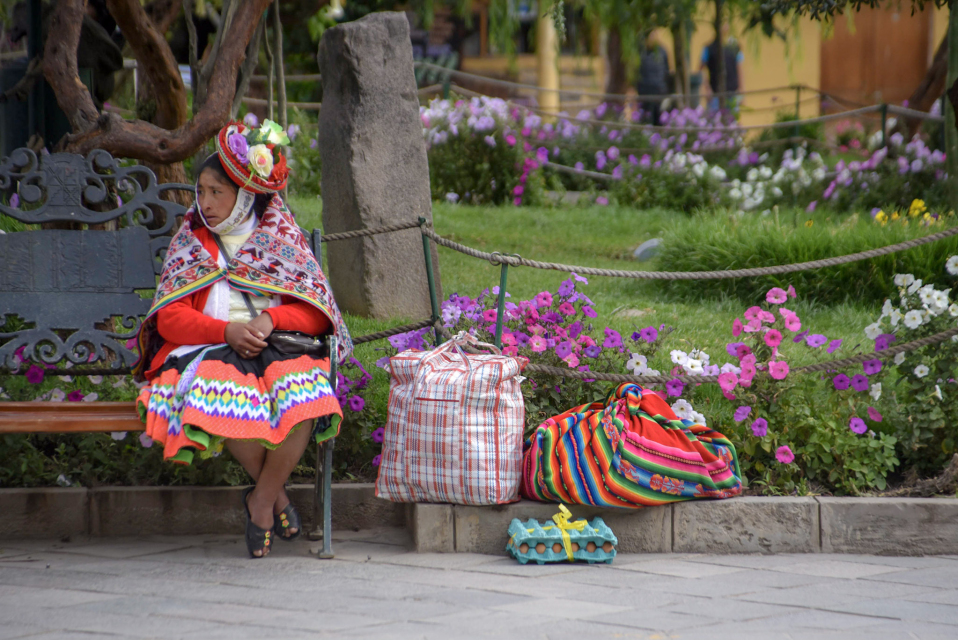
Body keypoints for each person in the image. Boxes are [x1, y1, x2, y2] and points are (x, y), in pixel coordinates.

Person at [133, 121, 353, 559]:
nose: (207, 203)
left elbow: (315, 310)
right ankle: (274, 502)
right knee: (217, 397)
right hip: (210, 349)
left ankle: (261, 499)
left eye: (218, 192)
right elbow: (170, 318)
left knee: (306, 399)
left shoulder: (278, 238)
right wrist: (225, 331)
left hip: (279, 346)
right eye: (202, 192)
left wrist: (271, 319)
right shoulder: (192, 241)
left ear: (245, 194)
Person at [700, 23, 744, 111]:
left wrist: (742, 91)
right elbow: (701, 69)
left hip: (732, 94)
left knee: (732, 122)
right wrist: (707, 89)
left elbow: (739, 69)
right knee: (714, 122)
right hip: (715, 96)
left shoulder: (734, 47)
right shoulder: (708, 48)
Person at [635, 32, 671, 126]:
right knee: (645, 120)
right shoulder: (641, 51)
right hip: (645, 92)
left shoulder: (662, 51)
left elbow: (666, 71)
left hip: (659, 91)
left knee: (659, 120)